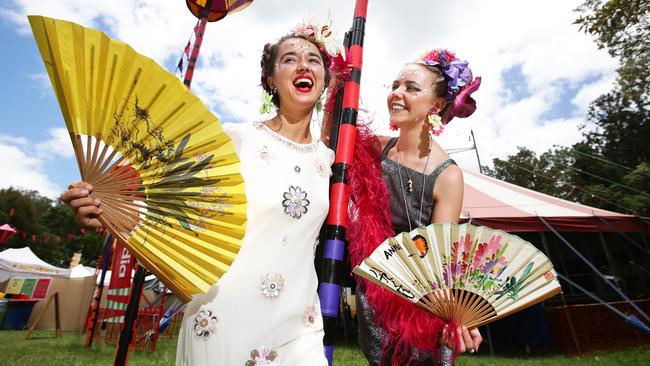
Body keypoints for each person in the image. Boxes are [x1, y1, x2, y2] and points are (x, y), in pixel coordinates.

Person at [60, 20, 344, 366]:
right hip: (222, 313)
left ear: (326, 80)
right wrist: (101, 202)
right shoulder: (235, 139)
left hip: (300, 326)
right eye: (288, 59)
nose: (302, 65)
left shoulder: (330, 162)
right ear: (271, 79)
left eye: (313, 59)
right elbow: (165, 193)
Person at [347, 48, 483, 365]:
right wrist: (340, 78)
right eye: (395, 85)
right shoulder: (375, 147)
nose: (397, 93)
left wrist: (458, 315)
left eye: (411, 88)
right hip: (376, 295)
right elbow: (334, 140)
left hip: (420, 307)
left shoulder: (447, 175)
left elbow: (441, 258)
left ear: (436, 105)